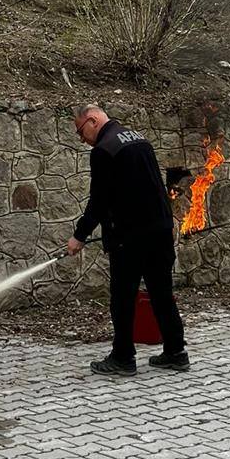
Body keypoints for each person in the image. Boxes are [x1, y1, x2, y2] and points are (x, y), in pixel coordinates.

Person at [66, 104, 189, 376]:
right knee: (161, 292)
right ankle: (176, 351)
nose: (82, 139)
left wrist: (79, 235)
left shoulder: (104, 150)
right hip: (160, 229)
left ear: (92, 120)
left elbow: (99, 200)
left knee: (122, 297)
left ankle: (123, 357)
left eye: (80, 131)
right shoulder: (139, 138)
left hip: (131, 236)